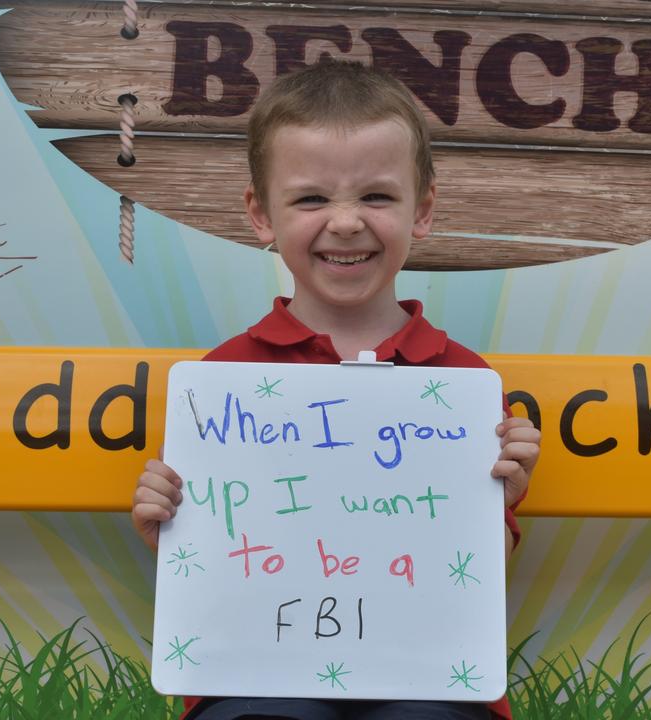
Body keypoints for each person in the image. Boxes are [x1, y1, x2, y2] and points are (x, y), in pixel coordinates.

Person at [131, 60, 541, 720]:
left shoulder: (463, 383)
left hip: (425, 677)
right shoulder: (224, 379)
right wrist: (173, 534)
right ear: (262, 215)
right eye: (312, 198)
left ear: (423, 210)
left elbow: (468, 576)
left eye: (376, 197)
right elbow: (214, 566)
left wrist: (500, 501)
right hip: (257, 673)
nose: (346, 222)